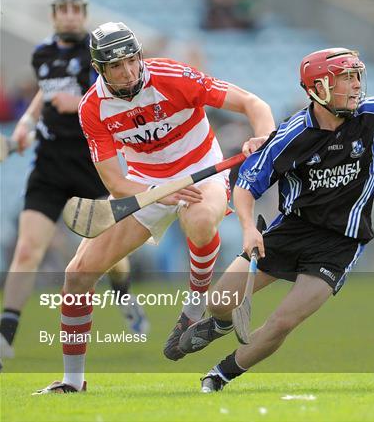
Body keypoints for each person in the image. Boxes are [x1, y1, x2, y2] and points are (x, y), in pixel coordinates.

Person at [174, 45, 374, 392]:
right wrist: (249, 229)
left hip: (340, 242)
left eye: (357, 76)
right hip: (292, 229)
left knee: (282, 321)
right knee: (219, 302)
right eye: (345, 78)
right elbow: (246, 187)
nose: (356, 85)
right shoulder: (292, 135)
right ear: (319, 88)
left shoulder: (373, 116)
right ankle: (219, 325)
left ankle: (220, 375)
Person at [34, 21, 275, 394]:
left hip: (200, 169)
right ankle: (72, 381)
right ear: (99, 69)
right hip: (145, 184)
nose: (128, 71)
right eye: (116, 66)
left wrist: (263, 137)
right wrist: (156, 191)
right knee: (78, 275)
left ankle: (193, 309)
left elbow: (252, 103)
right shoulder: (93, 107)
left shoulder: (173, 75)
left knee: (199, 221)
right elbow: (115, 182)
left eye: (132, 60)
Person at [0, 0, 148, 363]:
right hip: (48, 166)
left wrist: (78, 100)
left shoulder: (99, 56)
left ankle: (123, 293)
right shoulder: (42, 53)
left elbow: (112, 96)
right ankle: (5, 336)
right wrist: (27, 123)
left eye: (75, 8)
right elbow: (44, 93)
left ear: (83, 13)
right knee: (28, 248)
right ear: (53, 14)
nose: (68, 14)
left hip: (93, 165)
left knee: (111, 256)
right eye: (61, 8)